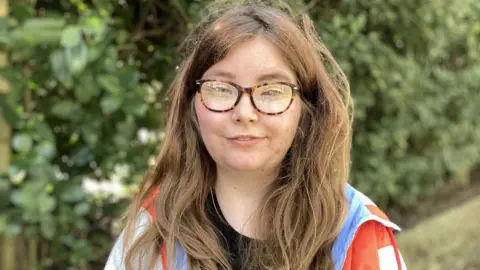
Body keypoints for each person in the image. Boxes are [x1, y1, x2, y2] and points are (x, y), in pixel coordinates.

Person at [105, 1, 407, 269]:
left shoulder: (357, 232)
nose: (245, 112)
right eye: (221, 89)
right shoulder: (150, 234)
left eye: (272, 91)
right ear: (191, 105)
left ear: (306, 108)